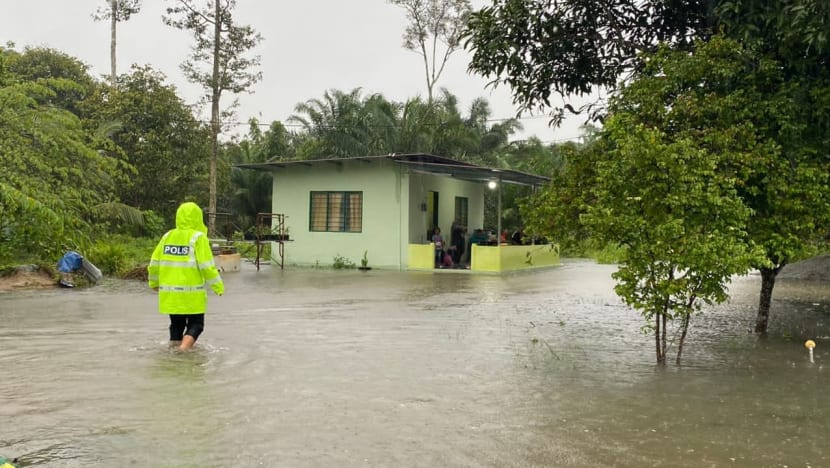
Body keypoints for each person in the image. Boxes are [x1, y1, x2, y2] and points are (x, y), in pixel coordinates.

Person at [148, 202, 224, 350]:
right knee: (197, 325)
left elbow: (154, 263)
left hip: (171, 294)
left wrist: (154, 283)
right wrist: (218, 286)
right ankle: (182, 352)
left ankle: (173, 353)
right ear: (197, 218)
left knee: (177, 325)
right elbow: (206, 266)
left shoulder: (167, 236)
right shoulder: (198, 238)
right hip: (191, 295)